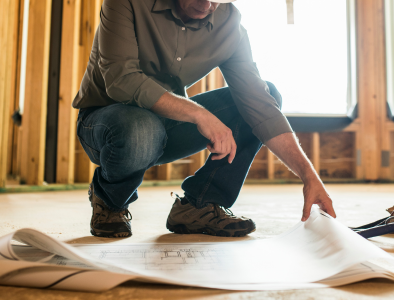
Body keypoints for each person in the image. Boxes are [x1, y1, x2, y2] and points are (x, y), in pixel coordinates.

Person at [72, 0, 336, 238]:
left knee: (266, 95)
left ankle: (199, 206)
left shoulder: (229, 22)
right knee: (141, 128)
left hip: (165, 124)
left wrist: (309, 176)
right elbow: (121, 80)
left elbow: (260, 106)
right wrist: (200, 114)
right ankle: (110, 200)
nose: (208, 4)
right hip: (106, 123)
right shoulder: (128, 3)